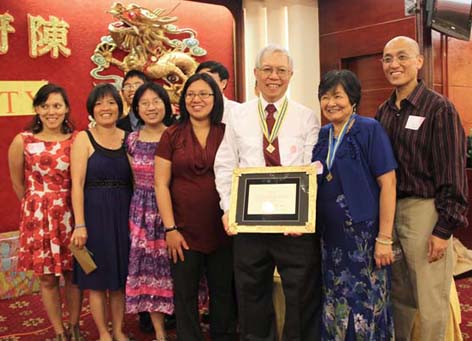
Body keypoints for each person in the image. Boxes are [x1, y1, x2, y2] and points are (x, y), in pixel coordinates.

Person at [214, 44, 321, 340]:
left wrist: (304, 214)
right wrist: (227, 209)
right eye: (268, 70)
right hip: (249, 225)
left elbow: (312, 169)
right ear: (256, 74)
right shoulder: (237, 116)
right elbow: (225, 165)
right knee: (251, 297)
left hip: (294, 228)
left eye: (281, 70)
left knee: (301, 297)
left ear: (291, 75)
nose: (274, 76)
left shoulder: (306, 117)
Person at [375, 36, 468, 341]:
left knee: (430, 301)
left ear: (419, 62)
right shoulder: (383, 112)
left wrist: (443, 230)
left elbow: (452, 172)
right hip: (391, 214)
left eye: (402, 57)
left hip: (425, 212)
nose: (394, 64)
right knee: (399, 297)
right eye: (387, 58)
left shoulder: (439, 108)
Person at [312, 70, 397, 340]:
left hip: (364, 237)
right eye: (325, 97)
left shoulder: (369, 129)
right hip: (329, 238)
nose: (331, 103)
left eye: (337, 96)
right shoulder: (321, 134)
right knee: (334, 300)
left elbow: (389, 184)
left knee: (366, 302)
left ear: (353, 99)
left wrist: (384, 238)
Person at [154, 73, 236, 340]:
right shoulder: (171, 135)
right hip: (183, 231)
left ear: (216, 98)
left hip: (223, 228)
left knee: (223, 293)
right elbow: (161, 184)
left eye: (204, 94)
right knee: (185, 295)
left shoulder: (228, 133)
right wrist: (170, 229)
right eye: (190, 94)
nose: (196, 99)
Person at [7, 83, 83, 341]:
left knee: (74, 274)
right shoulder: (23, 141)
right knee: (48, 278)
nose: (52, 111)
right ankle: (59, 331)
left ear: (66, 109)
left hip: (71, 215)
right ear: (37, 109)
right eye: (46, 106)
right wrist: (36, 207)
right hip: (38, 218)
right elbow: (17, 183)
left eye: (57, 105)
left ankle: (74, 326)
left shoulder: (77, 139)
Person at [70, 84, 133, 341]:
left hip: (124, 212)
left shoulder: (128, 137)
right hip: (94, 215)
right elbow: (77, 184)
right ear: (91, 109)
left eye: (111, 103)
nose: (105, 108)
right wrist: (80, 224)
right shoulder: (83, 138)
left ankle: (118, 329)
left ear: (120, 107)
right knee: (96, 280)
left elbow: (137, 180)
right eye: (99, 103)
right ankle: (104, 332)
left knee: (118, 280)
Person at [124, 82, 174, 341]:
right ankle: (160, 333)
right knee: (149, 274)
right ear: (137, 108)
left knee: (176, 271)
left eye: (156, 101)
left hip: (171, 211)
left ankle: (187, 322)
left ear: (165, 104)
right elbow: (133, 180)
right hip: (142, 213)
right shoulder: (132, 140)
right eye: (144, 103)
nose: (151, 107)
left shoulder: (175, 134)